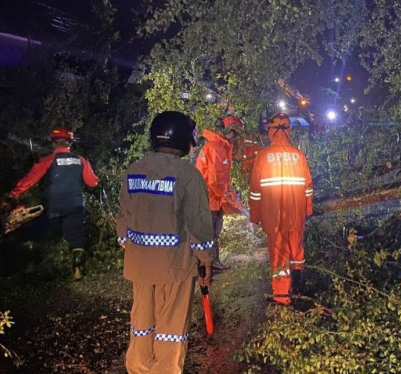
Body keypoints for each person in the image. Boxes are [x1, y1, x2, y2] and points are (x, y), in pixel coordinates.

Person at [115, 111, 215, 374]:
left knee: (142, 324)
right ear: (183, 140)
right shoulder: (187, 175)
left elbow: (123, 219)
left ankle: (137, 368)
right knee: (170, 330)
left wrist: (134, 249)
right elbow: (200, 227)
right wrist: (206, 262)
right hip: (176, 269)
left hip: (140, 267)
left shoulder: (134, 170)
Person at [6, 127, 98, 280]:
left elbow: (31, 179)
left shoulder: (48, 160)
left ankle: (29, 263)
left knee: (38, 231)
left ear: (54, 143)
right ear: (70, 143)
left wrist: (12, 194)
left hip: (54, 205)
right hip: (76, 205)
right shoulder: (81, 160)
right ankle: (78, 270)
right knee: (76, 238)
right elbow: (92, 182)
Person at [249, 112, 313, 306]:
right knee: (296, 250)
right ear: (288, 130)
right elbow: (308, 186)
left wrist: (255, 215)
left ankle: (282, 296)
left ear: (270, 131)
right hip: (296, 214)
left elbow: (255, 190)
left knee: (280, 256)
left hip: (273, 216)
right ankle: (297, 286)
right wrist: (307, 211)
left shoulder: (263, 156)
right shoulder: (298, 154)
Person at [195, 115, 243, 271]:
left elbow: (222, 175)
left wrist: (229, 188)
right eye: (236, 135)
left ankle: (210, 263)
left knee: (211, 232)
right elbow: (215, 179)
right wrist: (225, 195)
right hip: (210, 198)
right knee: (211, 232)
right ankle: (208, 264)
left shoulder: (218, 146)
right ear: (231, 131)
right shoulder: (216, 148)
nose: (236, 140)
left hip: (210, 197)